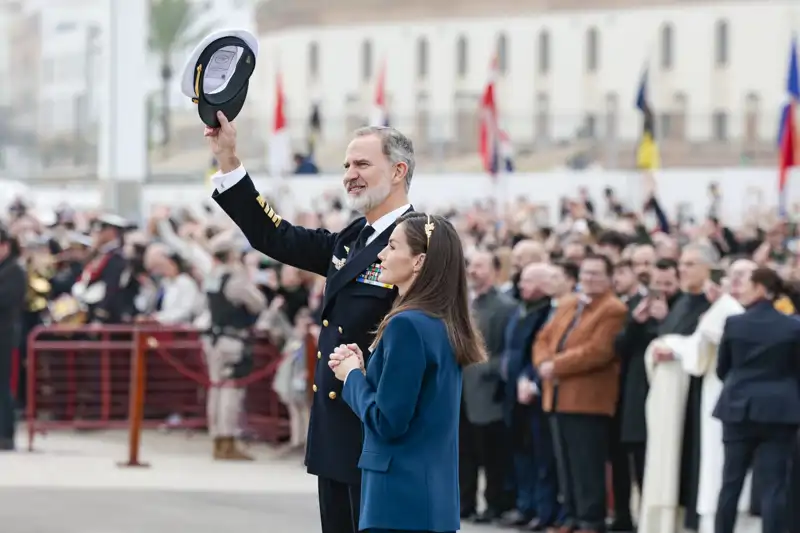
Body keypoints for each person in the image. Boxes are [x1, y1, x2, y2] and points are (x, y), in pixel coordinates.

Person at [205, 110, 414, 533]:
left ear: (398, 171)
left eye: (361, 164)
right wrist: (229, 158)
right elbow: (274, 235)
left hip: (377, 426)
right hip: (337, 431)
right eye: (346, 166)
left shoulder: (423, 238)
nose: (349, 175)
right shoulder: (355, 237)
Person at [327, 213, 486, 533]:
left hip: (398, 498)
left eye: (392, 247)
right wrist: (364, 370)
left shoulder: (407, 324)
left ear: (419, 261)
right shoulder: (440, 321)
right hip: (429, 495)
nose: (382, 254)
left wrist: (351, 377)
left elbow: (388, 421)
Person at [533, 254, 628, 533]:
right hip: (558, 396)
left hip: (588, 400)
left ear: (610, 277)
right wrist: (542, 363)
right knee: (566, 466)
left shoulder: (613, 309)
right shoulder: (570, 303)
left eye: (597, 274)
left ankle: (590, 520)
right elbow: (543, 338)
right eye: (586, 273)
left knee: (587, 466)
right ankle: (572, 516)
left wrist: (556, 365)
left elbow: (598, 351)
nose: (589, 279)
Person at [713, 267, 800, 533]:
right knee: (774, 485)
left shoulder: (735, 323)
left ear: (761, 288)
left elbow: (722, 369)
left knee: (731, 482)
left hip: (738, 407)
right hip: (780, 410)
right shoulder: (793, 326)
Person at [196, 235, 267, 460]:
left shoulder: (211, 277)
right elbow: (257, 303)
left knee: (216, 389)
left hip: (213, 338)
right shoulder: (234, 278)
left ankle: (217, 438)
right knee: (231, 390)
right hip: (232, 339)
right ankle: (228, 440)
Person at [0, 228, 26, 451]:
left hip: (4, 334)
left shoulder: (14, 271)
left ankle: (5, 434)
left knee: (2, 386)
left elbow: (6, 300)